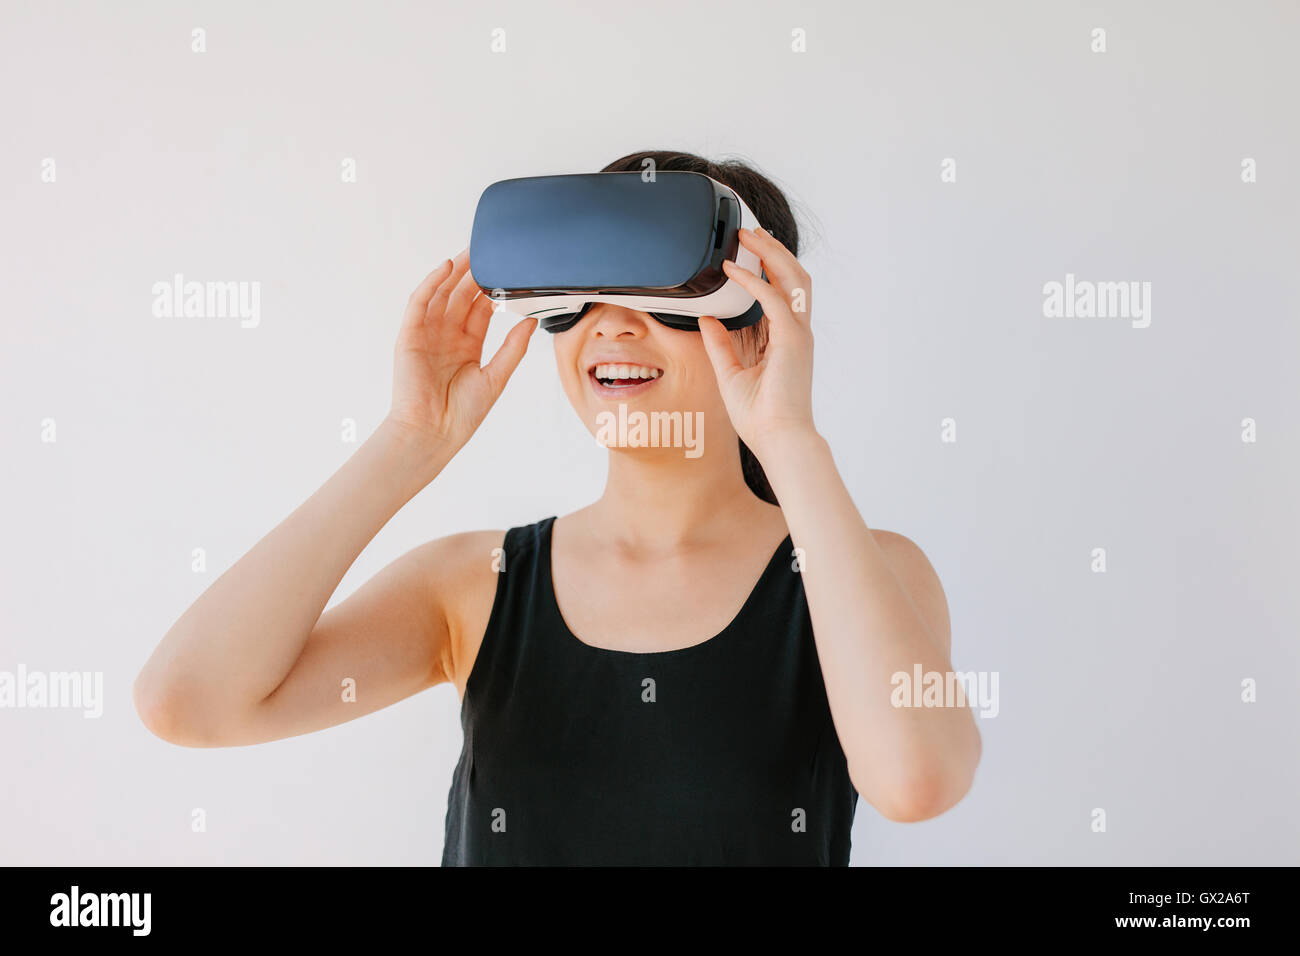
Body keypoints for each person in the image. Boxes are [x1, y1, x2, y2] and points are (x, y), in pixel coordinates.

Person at [134, 150, 982, 865]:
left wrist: (791, 438)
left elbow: (917, 782)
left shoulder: (859, 576)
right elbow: (188, 702)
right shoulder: (474, 585)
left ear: (756, 320)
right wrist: (408, 441)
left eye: (659, 291)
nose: (610, 326)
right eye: (580, 294)